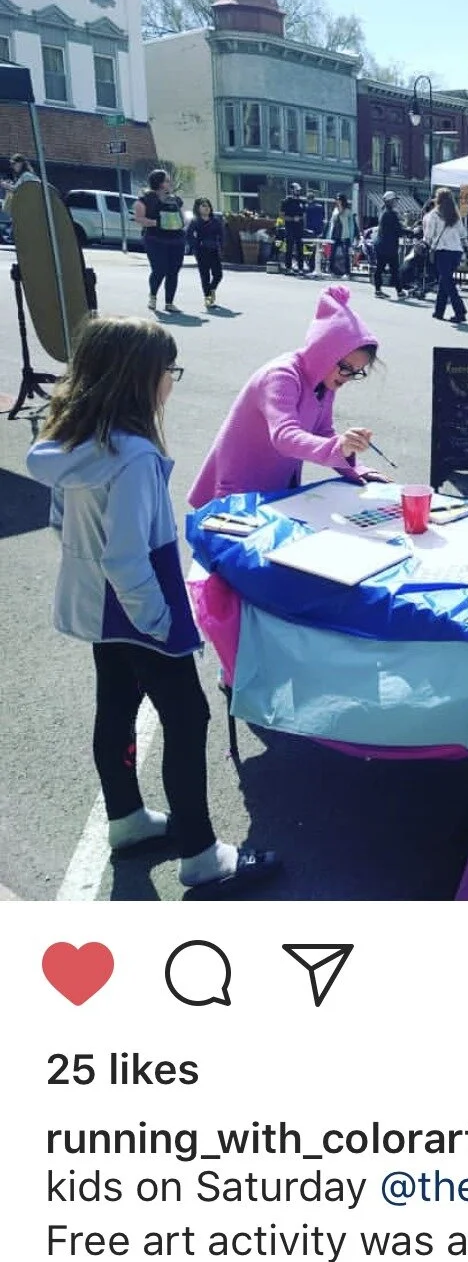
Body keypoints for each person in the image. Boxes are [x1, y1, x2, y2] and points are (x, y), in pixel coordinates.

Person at [25, 317, 278, 893]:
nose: (171, 381)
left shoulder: (71, 443)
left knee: (115, 706)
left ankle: (127, 820)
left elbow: (61, 521)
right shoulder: (135, 455)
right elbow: (126, 556)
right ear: (139, 378)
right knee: (187, 718)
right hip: (142, 609)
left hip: (99, 607)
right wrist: (159, 622)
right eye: (168, 370)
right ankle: (201, 855)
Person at [188, 285, 383, 504]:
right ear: (325, 353)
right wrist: (339, 447)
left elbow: (322, 432)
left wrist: (355, 467)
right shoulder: (281, 375)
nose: (348, 377)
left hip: (278, 486)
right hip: (241, 487)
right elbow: (285, 436)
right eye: (346, 368)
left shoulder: (325, 382)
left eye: (356, 372)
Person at [133, 169, 185, 314]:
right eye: (167, 180)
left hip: (176, 239)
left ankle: (169, 303)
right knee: (159, 269)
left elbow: (182, 216)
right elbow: (138, 218)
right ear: (159, 182)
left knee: (173, 271)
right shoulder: (145, 199)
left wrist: (181, 222)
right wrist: (157, 222)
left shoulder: (175, 199)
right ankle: (153, 296)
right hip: (155, 239)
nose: (170, 183)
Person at [424, 188, 468, 322]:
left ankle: (460, 311)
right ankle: (439, 310)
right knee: (445, 280)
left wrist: (426, 244)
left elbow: (429, 235)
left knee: (447, 281)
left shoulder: (434, 214)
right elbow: (462, 233)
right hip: (456, 251)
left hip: (442, 250)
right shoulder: (455, 214)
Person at [185, 197, 224, 310]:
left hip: (214, 249)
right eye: (203, 206)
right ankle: (207, 297)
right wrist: (195, 245)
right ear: (198, 208)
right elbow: (189, 235)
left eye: (208, 206)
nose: (206, 208)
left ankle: (212, 289)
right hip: (201, 251)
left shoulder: (215, 221)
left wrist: (221, 245)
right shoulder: (195, 221)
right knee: (205, 275)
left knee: (218, 274)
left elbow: (222, 234)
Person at [373, 191, 402, 299]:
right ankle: (399, 291)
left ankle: (379, 290)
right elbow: (398, 230)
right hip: (388, 246)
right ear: (390, 201)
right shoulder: (390, 214)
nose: (396, 202)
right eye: (395, 200)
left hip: (382, 244)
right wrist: (411, 232)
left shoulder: (383, 212)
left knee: (381, 268)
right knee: (393, 269)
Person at [280, 183, 307, 275]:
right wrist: (292, 219)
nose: (298, 191)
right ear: (292, 190)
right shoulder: (286, 201)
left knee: (300, 248)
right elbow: (282, 216)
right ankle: (288, 267)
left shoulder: (302, 202)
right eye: (297, 190)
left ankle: (301, 268)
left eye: (299, 190)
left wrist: (302, 221)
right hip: (289, 227)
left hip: (299, 227)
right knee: (289, 247)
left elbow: (304, 215)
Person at [328, 193, 355, 277]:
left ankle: (347, 272)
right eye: (337, 199)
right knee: (332, 253)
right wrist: (329, 235)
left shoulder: (348, 211)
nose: (338, 201)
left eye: (339, 199)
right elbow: (332, 221)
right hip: (335, 234)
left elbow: (351, 225)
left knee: (346, 254)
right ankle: (331, 271)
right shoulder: (335, 210)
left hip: (345, 235)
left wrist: (351, 237)